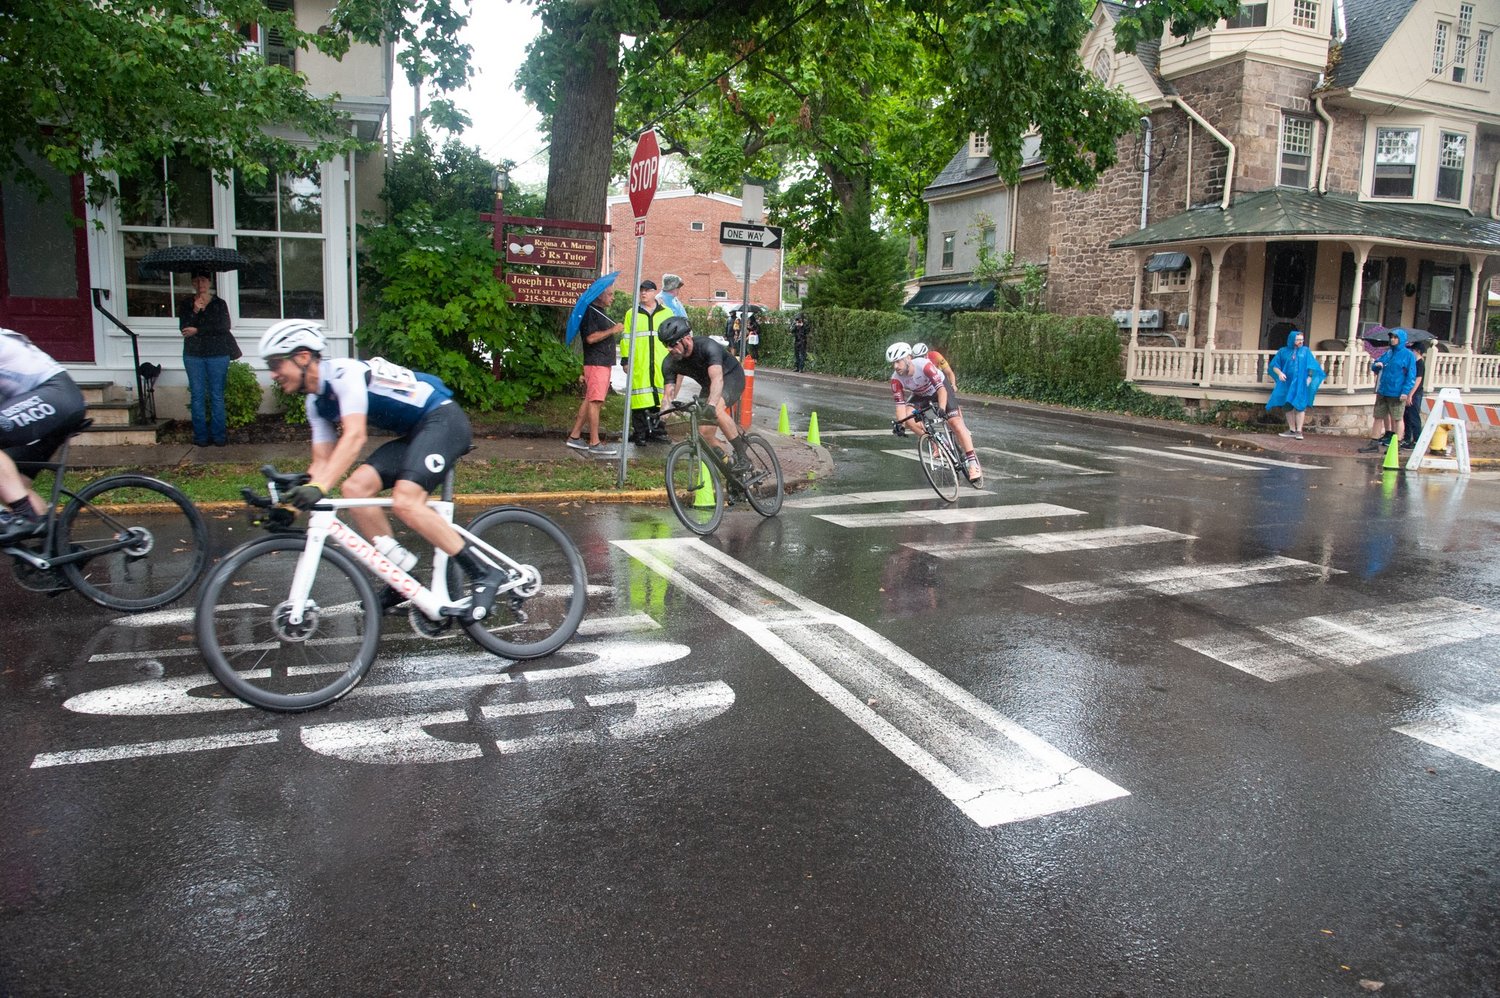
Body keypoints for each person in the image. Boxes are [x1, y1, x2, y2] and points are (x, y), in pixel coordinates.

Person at [257, 319, 508, 621]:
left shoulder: (344, 374)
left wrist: (318, 487)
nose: (273, 373)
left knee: (407, 500)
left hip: (443, 420)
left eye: (276, 363)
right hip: (417, 432)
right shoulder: (315, 403)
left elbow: (354, 437)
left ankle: (484, 573)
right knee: (354, 488)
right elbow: (322, 464)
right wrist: (289, 508)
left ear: (302, 356)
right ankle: (402, 581)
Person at [0, 327, 88, 542]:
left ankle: (26, 516)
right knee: (13, 485)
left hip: (55, 396)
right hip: (50, 402)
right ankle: (59, 551)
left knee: (15, 498)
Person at [658, 316, 751, 470]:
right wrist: (661, 417)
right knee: (704, 434)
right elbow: (668, 393)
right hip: (709, 385)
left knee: (717, 411)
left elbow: (717, 380)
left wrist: (712, 405)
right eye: (666, 345)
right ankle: (730, 464)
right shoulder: (669, 363)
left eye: (673, 344)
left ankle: (743, 457)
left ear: (686, 339)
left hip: (730, 377)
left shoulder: (708, 347)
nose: (669, 349)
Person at [887, 341, 983, 485]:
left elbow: (941, 390)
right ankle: (934, 443)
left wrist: (942, 409)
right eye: (893, 363)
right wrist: (900, 423)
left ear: (908, 358)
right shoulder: (895, 379)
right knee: (909, 419)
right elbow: (900, 405)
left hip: (940, 389)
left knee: (954, 422)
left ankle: (973, 462)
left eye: (898, 361)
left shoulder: (924, 365)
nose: (895, 366)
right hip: (921, 395)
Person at [179, 266, 236, 447]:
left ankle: (219, 437)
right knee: (197, 395)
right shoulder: (187, 304)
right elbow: (184, 328)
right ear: (192, 283)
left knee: (216, 395)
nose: (200, 284)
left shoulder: (219, 303)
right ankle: (201, 437)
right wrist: (195, 311)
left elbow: (223, 327)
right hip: (193, 355)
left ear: (210, 282)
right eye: (196, 281)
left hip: (217, 354)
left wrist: (199, 330)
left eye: (203, 280)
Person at [565, 285, 622, 457]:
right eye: (610, 294)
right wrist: (613, 330)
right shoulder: (590, 312)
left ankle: (574, 436)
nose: (612, 298)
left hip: (601, 362)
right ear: (599, 296)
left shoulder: (599, 311)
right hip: (596, 362)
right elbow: (590, 338)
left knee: (590, 398)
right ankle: (594, 442)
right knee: (595, 402)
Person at [619, 279, 672, 445]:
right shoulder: (632, 313)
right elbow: (626, 339)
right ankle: (640, 433)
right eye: (641, 290)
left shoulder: (667, 313)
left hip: (660, 361)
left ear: (654, 292)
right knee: (639, 399)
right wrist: (626, 360)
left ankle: (657, 431)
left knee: (660, 397)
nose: (643, 293)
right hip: (640, 362)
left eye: (647, 290)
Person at [1359, 328, 1417, 453]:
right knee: (1378, 416)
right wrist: (1376, 365)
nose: (1392, 339)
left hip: (1397, 392)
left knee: (1397, 418)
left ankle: (1396, 445)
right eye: (1391, 337)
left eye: (1395, 337)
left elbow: (1411, 376)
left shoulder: (1408, 355)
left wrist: (1405, 392)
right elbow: (1377, 363)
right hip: (1383, 390)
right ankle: (1374, 442)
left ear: (1401, 339)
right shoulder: (1389, 352)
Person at [1266, 329, 1325, 440]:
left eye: (1302, 340)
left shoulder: (1305, 351)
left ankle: (1299, 431)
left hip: (1300, 383)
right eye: (1298, 340)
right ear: (1292, 339)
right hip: (1287, 383)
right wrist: (1280, 373)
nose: (1300, 342)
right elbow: (1274, 365)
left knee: (1300, 405)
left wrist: (1310, 377)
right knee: (1287, 405)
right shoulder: (1283, 351)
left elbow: (1312, 365)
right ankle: (1292, 429)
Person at [1401, 340, 1428, 449]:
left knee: (1414, 416)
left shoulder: (1420, 363)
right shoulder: (1413, 363)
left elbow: (1418, 380)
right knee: (1406, 416)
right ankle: (1407, 438)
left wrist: (1411, 394)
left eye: (1412, 350)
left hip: (1415, 393)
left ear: (1417, 351)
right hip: (1409, 392)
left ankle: (1417, 439)